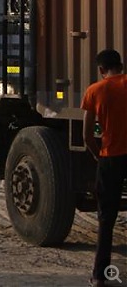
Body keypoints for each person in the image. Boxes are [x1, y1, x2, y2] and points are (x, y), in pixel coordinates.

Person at [82, 49, 127, 287]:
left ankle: (99, 276)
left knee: (106, 220)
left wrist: (98, 156)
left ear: (101, 70)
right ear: (120, 65)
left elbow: (87, 134)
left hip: (111, 158)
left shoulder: (94, 91)